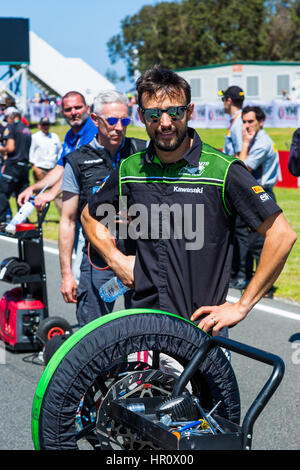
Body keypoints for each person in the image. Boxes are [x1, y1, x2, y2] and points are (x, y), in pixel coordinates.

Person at [81, 66, 296, 338]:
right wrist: (115, 259)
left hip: (200, 331)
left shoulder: (222, 169)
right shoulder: (129, 169)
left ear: (189, 112)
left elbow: (282, 235)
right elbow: (89, 215)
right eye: (154, 114)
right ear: (141, 116)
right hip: (142, 327)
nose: (166, 123)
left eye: (175, 112)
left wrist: (241, 306)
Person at [59, 90, 147, 327]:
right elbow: (67, 220)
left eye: (124, 120)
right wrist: (67, 274)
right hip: (98, 258)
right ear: (95, 120)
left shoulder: (144, 152)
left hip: (140, 256)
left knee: (147, 328)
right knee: (92, 331)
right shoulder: (77, 160)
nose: (119, 127)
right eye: (111, 121)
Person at [17, 91, 97, 281]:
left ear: (87, 108)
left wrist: (51, 194)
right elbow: (61, 167)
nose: (74, 112)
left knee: (84, 276)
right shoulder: (71, 135)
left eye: (77, 107)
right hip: (79, 212)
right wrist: (34, 188)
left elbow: (78, 171)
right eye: (68, 109)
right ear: (62, 112)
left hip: (96, 214)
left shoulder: (92, 131)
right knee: (83, 276)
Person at [239, 105, 281, 298]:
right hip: (256, 194)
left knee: (259, 244)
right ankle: (255, 283)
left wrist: (245, 144)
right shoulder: (258, 139)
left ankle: (265, 288)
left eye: (251, 122)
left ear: (260, 122)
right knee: (252, 242)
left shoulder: (262, 142)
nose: (246, 126)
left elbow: (243, 169)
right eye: (244, 121)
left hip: (262, 194)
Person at [220, 86, 248, 290]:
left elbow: (240, 156)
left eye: (223, 100)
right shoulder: (236, 122)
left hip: (235, 185)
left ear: (229, 101)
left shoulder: (238, 124)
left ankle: (239, 273)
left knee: (239, 232)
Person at [0, 107, 31, 222]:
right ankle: (21, 224)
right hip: (24, 166)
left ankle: (1, 222)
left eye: (7, 118)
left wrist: (1, 149)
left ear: (10, 117)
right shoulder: (26, 128)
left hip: (13, 165)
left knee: (3, 194)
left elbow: (10, 147)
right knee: (21, 197)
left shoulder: (11, 126)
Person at [29, 117, 62, 213]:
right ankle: (40, 218)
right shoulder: (35, 137)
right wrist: (35, 168)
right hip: (40, 169)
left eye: (47, 124)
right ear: (39, 126)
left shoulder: (54, 136)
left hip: (53, 169)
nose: (46, 126)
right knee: (39, 196)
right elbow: (31, 153)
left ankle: (64, 216)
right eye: (44, 124)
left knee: (58, 194)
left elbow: (60, 152)